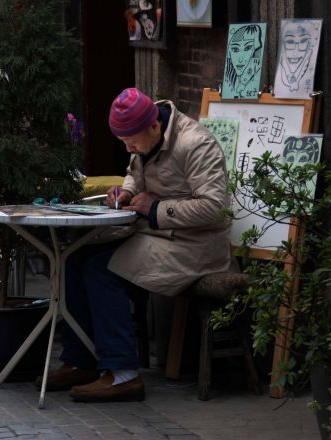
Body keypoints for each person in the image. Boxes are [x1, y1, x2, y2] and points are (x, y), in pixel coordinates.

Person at [38, 87, 234, 403]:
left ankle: (123, 374)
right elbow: (135, 173)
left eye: (131, 141)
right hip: (158, 236)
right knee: (76, 259)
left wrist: (155, 208)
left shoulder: (196, 144)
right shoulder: (145, 134)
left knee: (102, 269)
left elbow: (214, 208)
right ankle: (81, 360)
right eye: (124, 142)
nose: (128, 147)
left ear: (154, 126)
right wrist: (126, 193)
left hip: (195, 245)